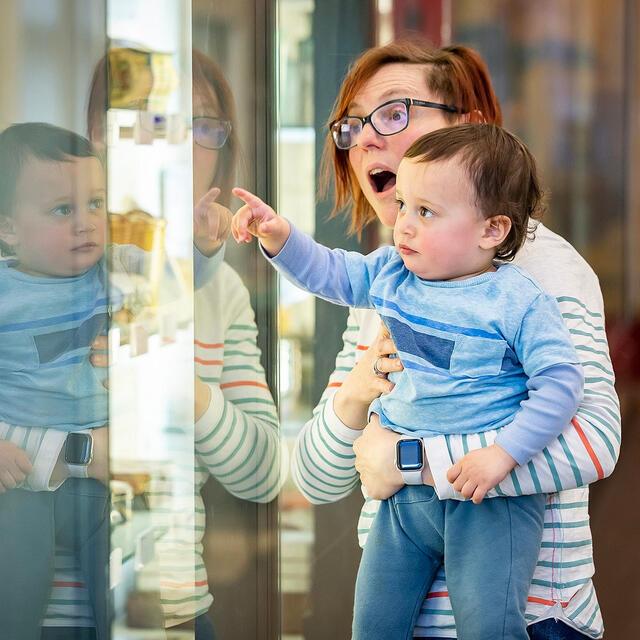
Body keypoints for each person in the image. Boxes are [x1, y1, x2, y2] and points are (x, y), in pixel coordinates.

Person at [290, 41, 620, 640]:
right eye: (352, 125)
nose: (366, 138)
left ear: (467, 128)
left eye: (393, 113)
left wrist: (412, 463)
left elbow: (595, 441)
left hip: (534, 621)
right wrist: (354, 396)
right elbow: (318, 478)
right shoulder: (389, 277)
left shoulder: (540, 273)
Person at [232, 122, 585, 638]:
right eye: (403, 205)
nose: (403, 225)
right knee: (372, 626)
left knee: (490, 627)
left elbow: (560, 385)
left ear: (492, 230)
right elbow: (333, 272)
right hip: (400, 504)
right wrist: (279, 236)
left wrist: (503, 454)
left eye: (426, 212)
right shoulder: (393, 272)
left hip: (487, 503)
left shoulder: (519, 300)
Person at [4, 49, 284, 640]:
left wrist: (174, 382)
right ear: (101, 137)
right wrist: (78, 453)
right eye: (157, 119)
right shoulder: (24, 276)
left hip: (164, 610)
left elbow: (262, 473)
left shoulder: (221, 289)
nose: (181, 143)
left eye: (203, 126)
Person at [0, 120, 227, 640]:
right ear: (9, 228)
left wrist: (202, 246)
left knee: (129, 592)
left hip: (108, 481)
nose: (87, 224)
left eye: (96, 204)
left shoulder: (119, 270)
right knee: (16, 587)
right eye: (63, 210)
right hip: (18, 483)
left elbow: (176, 287)